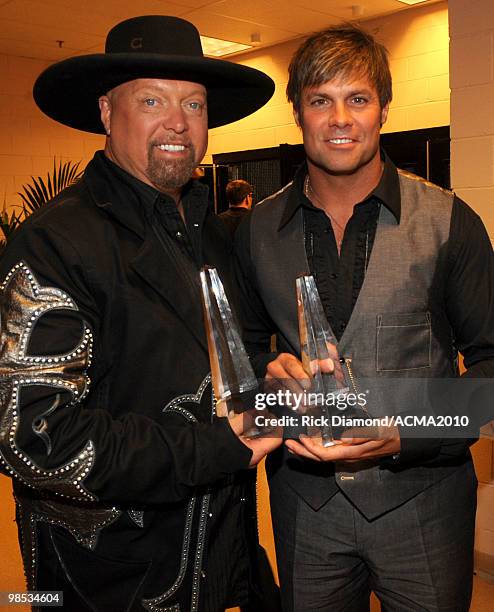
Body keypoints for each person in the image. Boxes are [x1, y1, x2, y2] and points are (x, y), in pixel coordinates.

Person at [0, 15, 280, 612]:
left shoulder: (212, 235)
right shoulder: (58, 242)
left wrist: (269, 376)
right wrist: (213, 448)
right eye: (152, 100)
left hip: (214, 557)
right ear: (106, 111)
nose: (177, 123)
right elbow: (31, 438)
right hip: (101, 577)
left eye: (194, 105)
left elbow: (213, 364)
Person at [234, 24, 494, 612]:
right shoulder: (256, 231)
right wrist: (266, 378)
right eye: (320, 100)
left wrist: (404, 432)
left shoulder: (451, 222)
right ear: (297, 112)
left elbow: (490, 368)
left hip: (424, 507)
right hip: (305, 507)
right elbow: (244, 356)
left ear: (382, 109)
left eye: (357, 99)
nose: (340, 119)